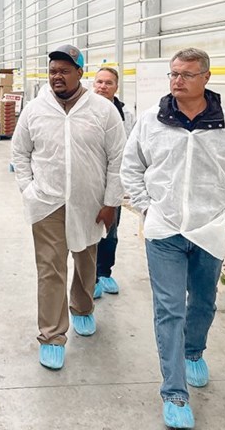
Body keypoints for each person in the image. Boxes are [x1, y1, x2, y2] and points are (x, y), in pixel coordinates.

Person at [120, 48, 225, 429]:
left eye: (185, 74)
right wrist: (147, 208)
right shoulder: (152, 120)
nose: (177, 80)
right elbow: (131, 165)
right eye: (173, 74)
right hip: (164, 229)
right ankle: (174, 392)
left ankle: (194, 350)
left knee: (203, 302)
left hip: (208, 229)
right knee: (169, 309)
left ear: (206, 78)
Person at [11, 44, 125, 371]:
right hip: (46, 202)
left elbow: (118, 158)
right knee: (50, 269)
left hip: (90, 203)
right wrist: (28, 190)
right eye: (52, 71)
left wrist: (111, 201)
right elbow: (19, 154)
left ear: (80, 72)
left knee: (86, 260)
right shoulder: (35, 109)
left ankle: (83, 307)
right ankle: (51, 335)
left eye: (64, 70)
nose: (57, 76)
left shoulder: (103, 111)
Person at [91, 66, 136, 297]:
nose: (103, 87)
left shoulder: (125, 114)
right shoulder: (84, 109)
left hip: (113, 180)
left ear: (116, 87)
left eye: (108, 83)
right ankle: (91, 278)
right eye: (99, 82)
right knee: (89, 231)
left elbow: (129, 148)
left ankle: (105, 272)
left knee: (111, 231)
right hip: (88, 182)